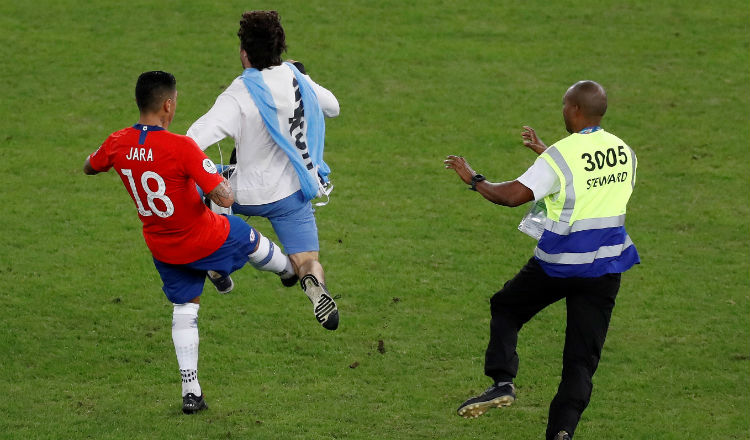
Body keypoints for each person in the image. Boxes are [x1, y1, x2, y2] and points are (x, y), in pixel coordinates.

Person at [83, 71, 298, 414]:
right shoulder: (182, 147)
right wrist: (217, 173)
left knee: (185, 310)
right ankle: (290, 271)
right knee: (248, 237)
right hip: (203, 237)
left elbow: (89, 167)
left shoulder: (117, 142)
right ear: (168, 105)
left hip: (163, 246)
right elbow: (225, 199)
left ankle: (191, 391)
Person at [445, 80, 640, 440]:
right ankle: (561, 432)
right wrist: (545, 154)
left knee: (506, 307)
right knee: (580, 362)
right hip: (607, 268)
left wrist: (474, 179)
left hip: (560, 265)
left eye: (565, 105)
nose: (562, 110)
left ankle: (502, 381)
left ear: (576, 110)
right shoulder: (624, 151)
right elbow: (589, 178)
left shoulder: (560, 157)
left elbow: (511, 196)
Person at [187, 10, 340, 331]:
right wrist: (304, 79)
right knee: (307, 259)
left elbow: (193, 139)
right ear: (280, 48)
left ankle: (216, 261)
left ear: (244, 53)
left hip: (244, 193)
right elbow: (333, 107)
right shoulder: (298, 78)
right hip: (294, 193)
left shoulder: (241, 92)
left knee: (205, 177)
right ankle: (314, 285)